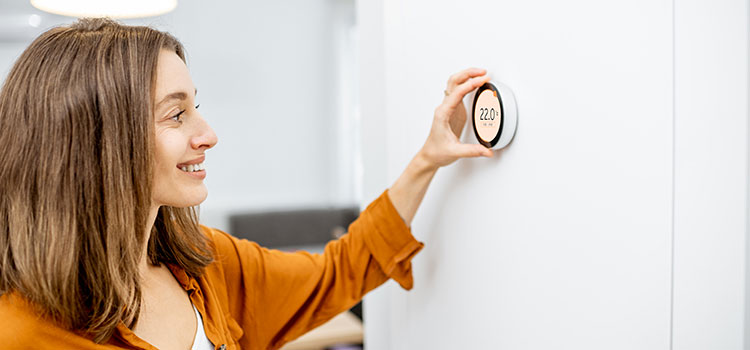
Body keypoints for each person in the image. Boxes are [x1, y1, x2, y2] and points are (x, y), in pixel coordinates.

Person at [0, 18, 492, 350]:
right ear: (96, 141)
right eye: (176, 115)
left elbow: (340, 269)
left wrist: (428, 159)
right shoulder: (17, 330)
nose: (207, 134)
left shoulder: (209, 266)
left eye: (197, 106)